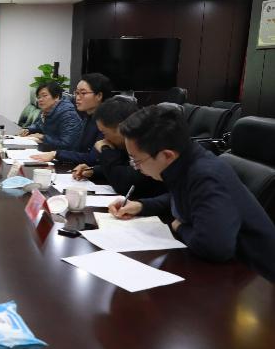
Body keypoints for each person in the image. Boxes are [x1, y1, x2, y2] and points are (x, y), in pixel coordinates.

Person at [109, 105, 275, 278]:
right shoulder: (185, 160)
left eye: (136, 161)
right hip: (228, 270)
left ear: (167, 155)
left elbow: (214, 248)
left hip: (255, 278)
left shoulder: (205, 176)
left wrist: (180, 227)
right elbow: (184, 197)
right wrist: (141, 206)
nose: (136, 168)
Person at [71, 96, 166, 198]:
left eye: (104, 133)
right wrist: (93, 171)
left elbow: (124, 184)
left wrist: (106, 150)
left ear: (121, 128)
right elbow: (122, 167)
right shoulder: (126, 144)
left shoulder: (146, 144)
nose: (104, 139)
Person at [32, 72, 112, 164]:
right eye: (77, 93)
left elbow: (93, 158)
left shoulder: (107, 121)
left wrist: (56, 154)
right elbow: (78, 149)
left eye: (83, 93)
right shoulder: (88, 116)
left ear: (99, 96)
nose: (77, 97)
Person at [18, 81, 81, 149]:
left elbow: (66, 144)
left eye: (44, 96)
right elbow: (39, 125)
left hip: (65, 153)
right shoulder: (46, 110)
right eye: (38, 97)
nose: (40, 100)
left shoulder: (68, 115)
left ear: (56, 97)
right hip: (51, 149)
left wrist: (43, 137)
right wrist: (29, 130)